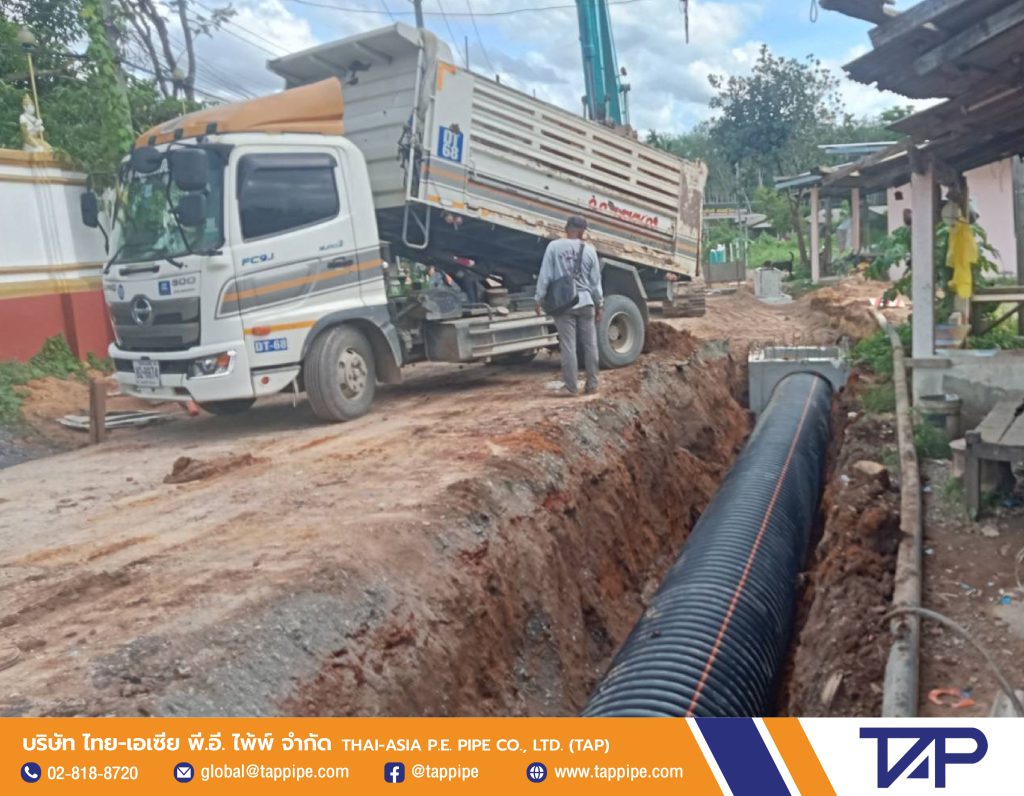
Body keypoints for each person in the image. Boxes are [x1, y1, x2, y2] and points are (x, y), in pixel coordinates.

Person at [535, 215, 603, 396]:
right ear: (581, 231)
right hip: (587, 302)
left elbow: (545, 275)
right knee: (590, 345)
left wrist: (539, 298)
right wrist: (600, 305)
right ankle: (592, 385)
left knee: (568, 346)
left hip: (564, 304)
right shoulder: (590, 250)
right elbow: (596, 282)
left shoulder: (554, 247)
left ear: (567, 228)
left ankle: (571, 388)